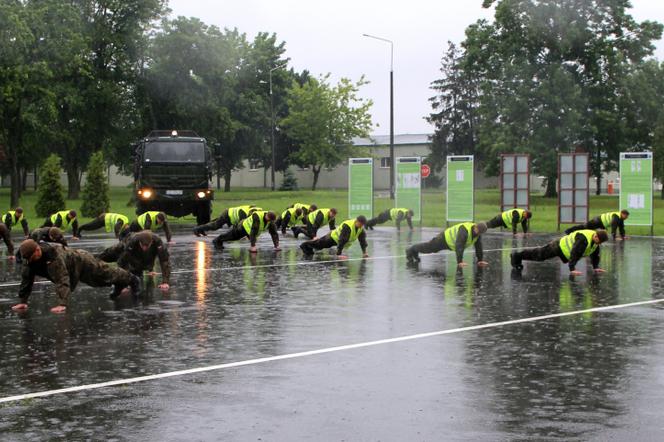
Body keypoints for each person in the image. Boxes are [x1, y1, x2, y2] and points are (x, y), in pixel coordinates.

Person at [11, 240, 140, 314]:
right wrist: (23, 301)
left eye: (33, 257)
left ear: (38, 250)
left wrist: (62, 304)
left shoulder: (52, 256)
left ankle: (132, 279)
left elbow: (61, 278)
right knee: (98, 283)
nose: (31, 261)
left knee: (104, 275)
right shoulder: (28, 260)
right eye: (28, 259)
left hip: (82, 260)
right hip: (72, 268)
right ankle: (119, 283)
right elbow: (26, 280)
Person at [511, 229, 609, 275]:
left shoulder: (596, 240)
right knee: (539, 255)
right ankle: (516, 256)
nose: (598, 244)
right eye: (599, 241)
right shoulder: (583, 240)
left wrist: (596, 267)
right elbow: (575, 253)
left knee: (540, 256)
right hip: (558, 246)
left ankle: (518, 256)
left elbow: (595, 254)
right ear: (595, 236)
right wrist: (572, 269)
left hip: (564, 250)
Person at [97, 231, 171, 290]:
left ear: (151, 242)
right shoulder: (133, 240)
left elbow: (164, 261)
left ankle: (140, 269)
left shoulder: (158, 241)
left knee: (138, 270)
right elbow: (123, 260)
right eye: (143, 245)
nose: (144, 248)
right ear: (139, 242)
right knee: (112, 252)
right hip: (126, 244)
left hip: (140, 259)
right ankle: (96, 258)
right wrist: (123, 283)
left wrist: (165, 282)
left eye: (147, 246)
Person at [406, 222, 489, 268]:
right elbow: (459, 245)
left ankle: (414, 251)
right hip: (444, 238)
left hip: (449, 243)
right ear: (475, 227)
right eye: (478, 231)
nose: (478, 234)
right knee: (429, 248)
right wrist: (460, 261)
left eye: (480, 233)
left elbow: (479, 246)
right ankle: (411, 250)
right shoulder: (464, 231)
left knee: (431, 249)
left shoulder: (478, 234)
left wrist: (480, 260)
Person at [300, 216, 369, 259]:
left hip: (337, 240)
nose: (361, 226)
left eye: (362, 225)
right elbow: (342, 240)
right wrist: (339, 254)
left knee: (319, 246)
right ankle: (304, 245)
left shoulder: (360, 229)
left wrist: (364, 253)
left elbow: (362, 241)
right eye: (360, 224)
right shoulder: (348, 226)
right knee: (319, 244)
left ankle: (308, 248)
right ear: (356, 221)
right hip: (332, 237)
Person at [212, 210, 280, 252]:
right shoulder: (257, 217)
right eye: (269, 220)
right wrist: (253, 246)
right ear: (267, 216)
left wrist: (276, 246)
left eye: (271, 221)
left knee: (235, 237)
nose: (270, 222)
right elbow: (253, 232)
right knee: (232, 236)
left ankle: (219, 240)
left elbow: (274, 234)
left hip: (249, 230)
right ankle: (217, 240)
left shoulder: (271, 222)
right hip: (242, 227)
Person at [193, 205, 259, 236]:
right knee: (215, 226)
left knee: (214, 223)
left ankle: (201, 230)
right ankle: (197, 229)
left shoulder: (257, 211)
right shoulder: (243, 214)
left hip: (230, 214)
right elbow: (241, 226)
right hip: (227, 214)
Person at [564, 210, 629, 240]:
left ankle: (573, 233)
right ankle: (568, 231)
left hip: (601, 223)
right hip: (597, 221)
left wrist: (623, 236)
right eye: (626, 216)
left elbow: (621, 227)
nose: (627, 218)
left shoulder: (621, 218)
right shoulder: (616, 217)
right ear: (623, 214)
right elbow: (614, 227)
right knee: (584, 227)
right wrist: (614, 237)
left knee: (587, 230)